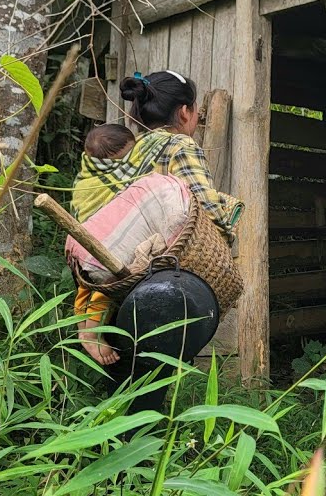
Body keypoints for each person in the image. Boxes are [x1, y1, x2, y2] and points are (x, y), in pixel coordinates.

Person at [69, 69, 243, 410]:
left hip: (122, 275)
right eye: (195, 111)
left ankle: (118, 444)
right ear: (184, 112)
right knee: (154, 381)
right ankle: (149, 447)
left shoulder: (130, 152)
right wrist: (231, 212)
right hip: (165, 273)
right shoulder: (180, 144)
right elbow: (206, 207)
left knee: (129, 381)